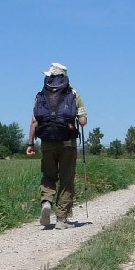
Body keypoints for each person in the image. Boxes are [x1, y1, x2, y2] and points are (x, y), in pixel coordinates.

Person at [26, 62, 88, 229]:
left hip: (47, 141)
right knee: (67, 179)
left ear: (50, 76)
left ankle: (46, 202)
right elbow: (83, 122)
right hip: (68, 142)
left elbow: (34, 121)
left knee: (48, 175)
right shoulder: (74, 94)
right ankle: (61, 219)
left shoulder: (40, 95)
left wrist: (31, 143)